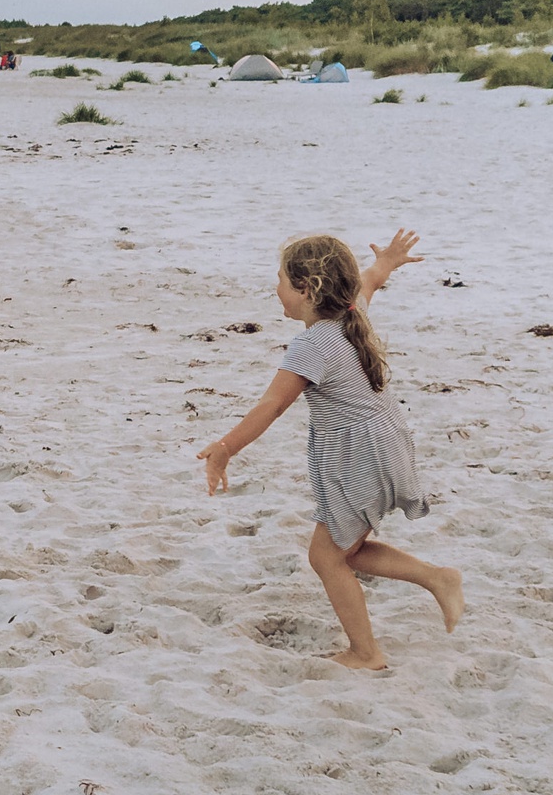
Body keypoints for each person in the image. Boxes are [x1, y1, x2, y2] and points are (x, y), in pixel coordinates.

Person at [196, 229, 463, 670]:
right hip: (387, 447)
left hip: (359, 458)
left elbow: (272, 405)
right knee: (345, 550)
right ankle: (437, 578)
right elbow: (370, 280)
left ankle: (366, 653)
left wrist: (226, 447)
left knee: (325, 556)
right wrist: (387, 262)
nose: (275, 289)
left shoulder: (313, 343)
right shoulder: (352, 311)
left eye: (281, 280)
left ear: (306, 289)